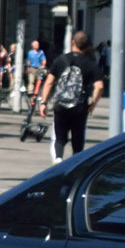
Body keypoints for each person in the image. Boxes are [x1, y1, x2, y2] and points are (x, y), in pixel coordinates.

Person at [42, 30, 104, 159]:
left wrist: (44, 103)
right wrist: (93, 103)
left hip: (60, 105)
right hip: (79, 107)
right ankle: (75, 166)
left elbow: (49, 82)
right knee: (78, 141)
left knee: (59, 138)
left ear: (73, 43)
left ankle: (58, 160)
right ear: (87, 46)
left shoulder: (60, 60)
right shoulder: (90, 63)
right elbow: (99, 86)